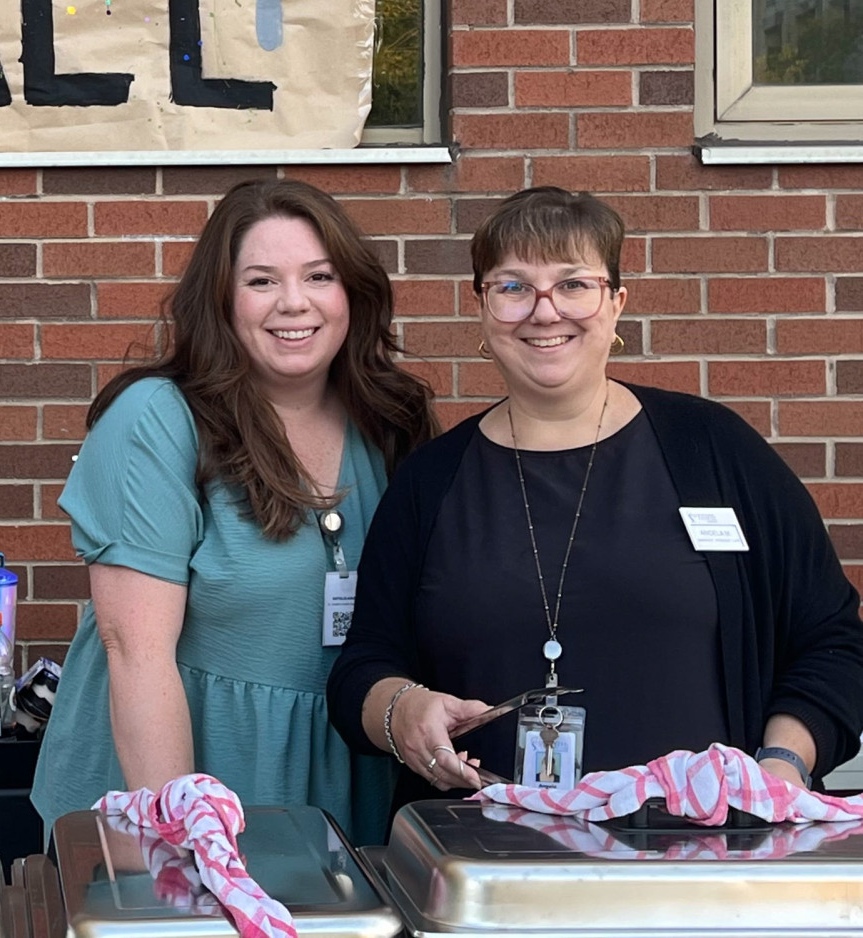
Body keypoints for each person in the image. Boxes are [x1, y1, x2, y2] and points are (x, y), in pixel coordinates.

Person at [327, 185, 863, 820]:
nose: (544, 311)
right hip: (489, 865)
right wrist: (400, 710)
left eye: (574, 284)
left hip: (707, 857)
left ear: (616, 304)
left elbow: (832, 642)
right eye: (513, 287)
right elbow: (363, 666)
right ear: (481, 309)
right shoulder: (429, 481)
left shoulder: (714, 453)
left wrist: (782, 767)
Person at [31, 179, 438, 846]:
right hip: (174, 779)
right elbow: (135, 653)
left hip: (339, 786)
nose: (294, 303)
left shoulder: (388, 423)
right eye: (261, 281)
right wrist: (178, 843)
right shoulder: (158, 421)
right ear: (221, 300)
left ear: (352, 292)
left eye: (319, 276)